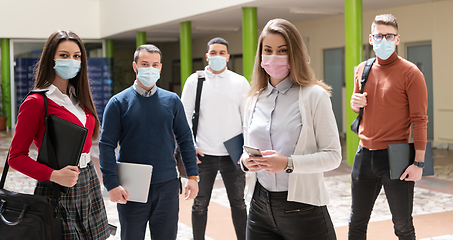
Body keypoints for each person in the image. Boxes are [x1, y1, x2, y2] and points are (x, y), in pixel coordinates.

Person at [241, 18, 341, 240]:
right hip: (259, 207)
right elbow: (246, 149)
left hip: (302, 208)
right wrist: (246, 162)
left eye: (282, 50)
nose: (273, 57)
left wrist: (287, 164)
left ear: (294, 54)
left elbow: (333, 156)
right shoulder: (253, 99)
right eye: (268, 50)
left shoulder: (314, 96)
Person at [8, 30, 109, 239]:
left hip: (88, 180)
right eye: (64, 55)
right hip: (57, 186)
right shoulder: (36, 102)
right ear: (50, 59)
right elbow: (16, 157)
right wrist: (54, 175)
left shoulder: (80, 98)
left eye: (76, 56)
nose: (71, 60)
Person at [99, 44, 199, 240]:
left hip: (167, 185)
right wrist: (111, 184)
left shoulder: (172, 101)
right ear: (135, 66)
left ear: (160, 67)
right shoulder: (118, 103)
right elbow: (106, 146)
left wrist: (193, 176)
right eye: (145, 64)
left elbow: (186, 140)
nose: (150, 69)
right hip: (131, 187)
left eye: (155, 65)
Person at [348, 14, 428, 240]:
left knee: (402, 226)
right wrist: (354, 104)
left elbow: (420, 119)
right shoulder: (362, 69)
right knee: (356, 222)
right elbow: (361, 105)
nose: (384, 40)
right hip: (363, 154)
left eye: (389, 36)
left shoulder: (411, 73)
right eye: (379, 35)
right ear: (371, 39)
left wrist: (418, 163)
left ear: (397, 39)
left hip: (396, 157)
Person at [181, 37, 250, 240]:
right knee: (200, 203)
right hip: (204, 154)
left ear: (228, 57)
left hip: (234, 154)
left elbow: (247, 119)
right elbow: (184, 115)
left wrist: (246, 149)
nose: (217, 56)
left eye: (221, 53)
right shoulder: (195, 81)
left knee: (238, 203)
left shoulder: (240, 82)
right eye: (213, 52)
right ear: (207, 56)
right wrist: (190, 146)